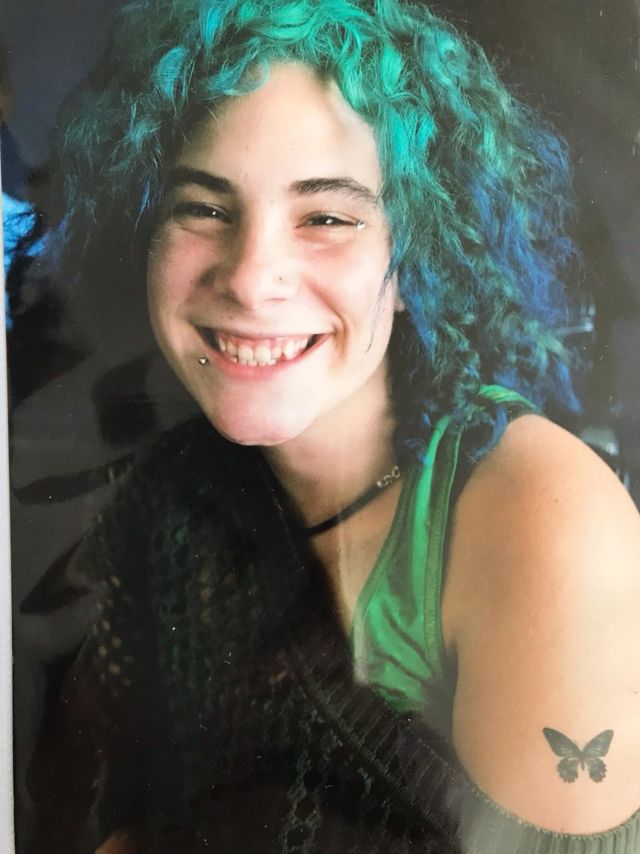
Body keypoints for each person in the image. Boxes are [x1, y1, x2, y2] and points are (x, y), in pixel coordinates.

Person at [24, 0, 640, 851]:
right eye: (203, 208)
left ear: (418, 258)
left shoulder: (542, 518)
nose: (252, 277)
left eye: (326, 217)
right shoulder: (166, 496)